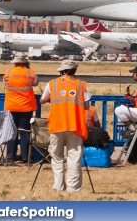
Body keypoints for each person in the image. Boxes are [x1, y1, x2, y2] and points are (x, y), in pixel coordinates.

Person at [40, 60, 90, 193]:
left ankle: (58, 186)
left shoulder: (52, 84)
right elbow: (86, 105)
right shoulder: (81, 84)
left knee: (57, 157)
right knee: (73, 157)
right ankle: (73, 188)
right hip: (75, 125)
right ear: (74, 71)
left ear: (61, 71)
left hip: (56, 124)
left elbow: (42, 100)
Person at [3, 52, 38, 165]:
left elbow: (5, 83)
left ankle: (10, 157)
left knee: (12, 132)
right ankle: (25, 157)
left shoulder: (8, 72)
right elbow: (36, 83)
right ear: (25, 62)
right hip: (26, 106)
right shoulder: (30, 72)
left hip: (11, 106)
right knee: (25, 132)